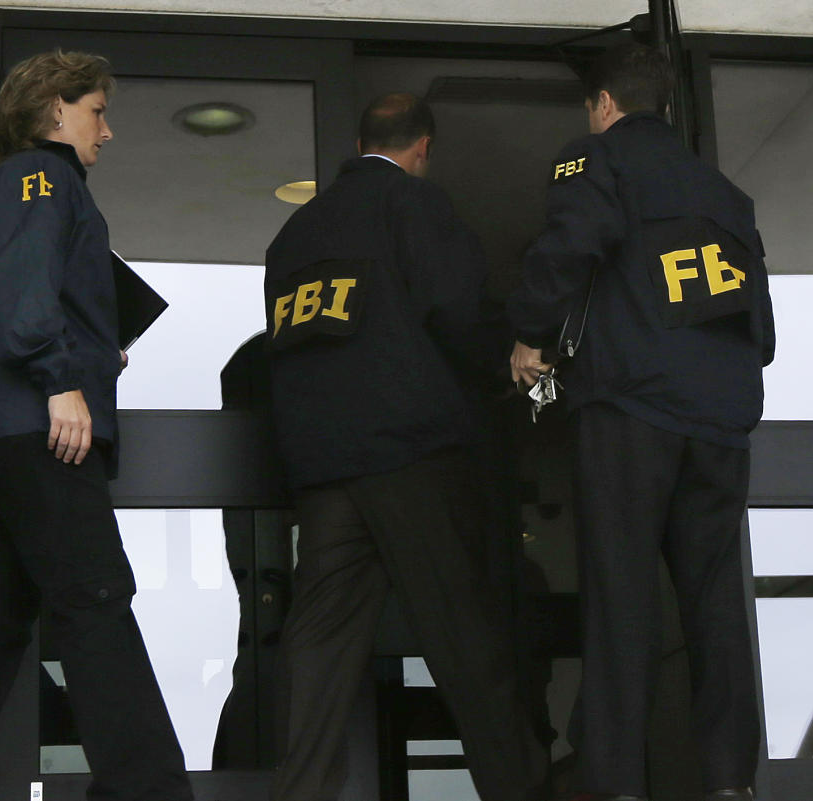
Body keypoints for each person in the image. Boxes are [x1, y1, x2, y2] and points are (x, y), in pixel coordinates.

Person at [0, 50, 194, 801]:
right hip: (33, 433)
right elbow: (22, 290)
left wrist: (94, 349)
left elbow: (25, 286)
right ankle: (147, 789)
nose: (108, 130)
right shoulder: (41, 177)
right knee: (94, 599)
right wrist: (63, 379)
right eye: (98, 110)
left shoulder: (17, 189)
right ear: (55, 109)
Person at [507, 43, 774, 801]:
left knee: (620, 598)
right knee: (716, 607)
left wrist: (530, 330)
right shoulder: (726, 192)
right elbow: (765, 328)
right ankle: (730, 782)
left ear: (603, 104)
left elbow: (572, 243)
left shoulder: (595, 159)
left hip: (633, 411)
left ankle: (617, 783)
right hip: (721, 420)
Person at [264, 92, 546, 801]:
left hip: (327, 470)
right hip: (411, 457)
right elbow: (456, 310)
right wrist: (502, 364)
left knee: (319, 653)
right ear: (422, 148)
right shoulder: (416, 206)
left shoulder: (292, 237)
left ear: (361, 141)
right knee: (467, 644)